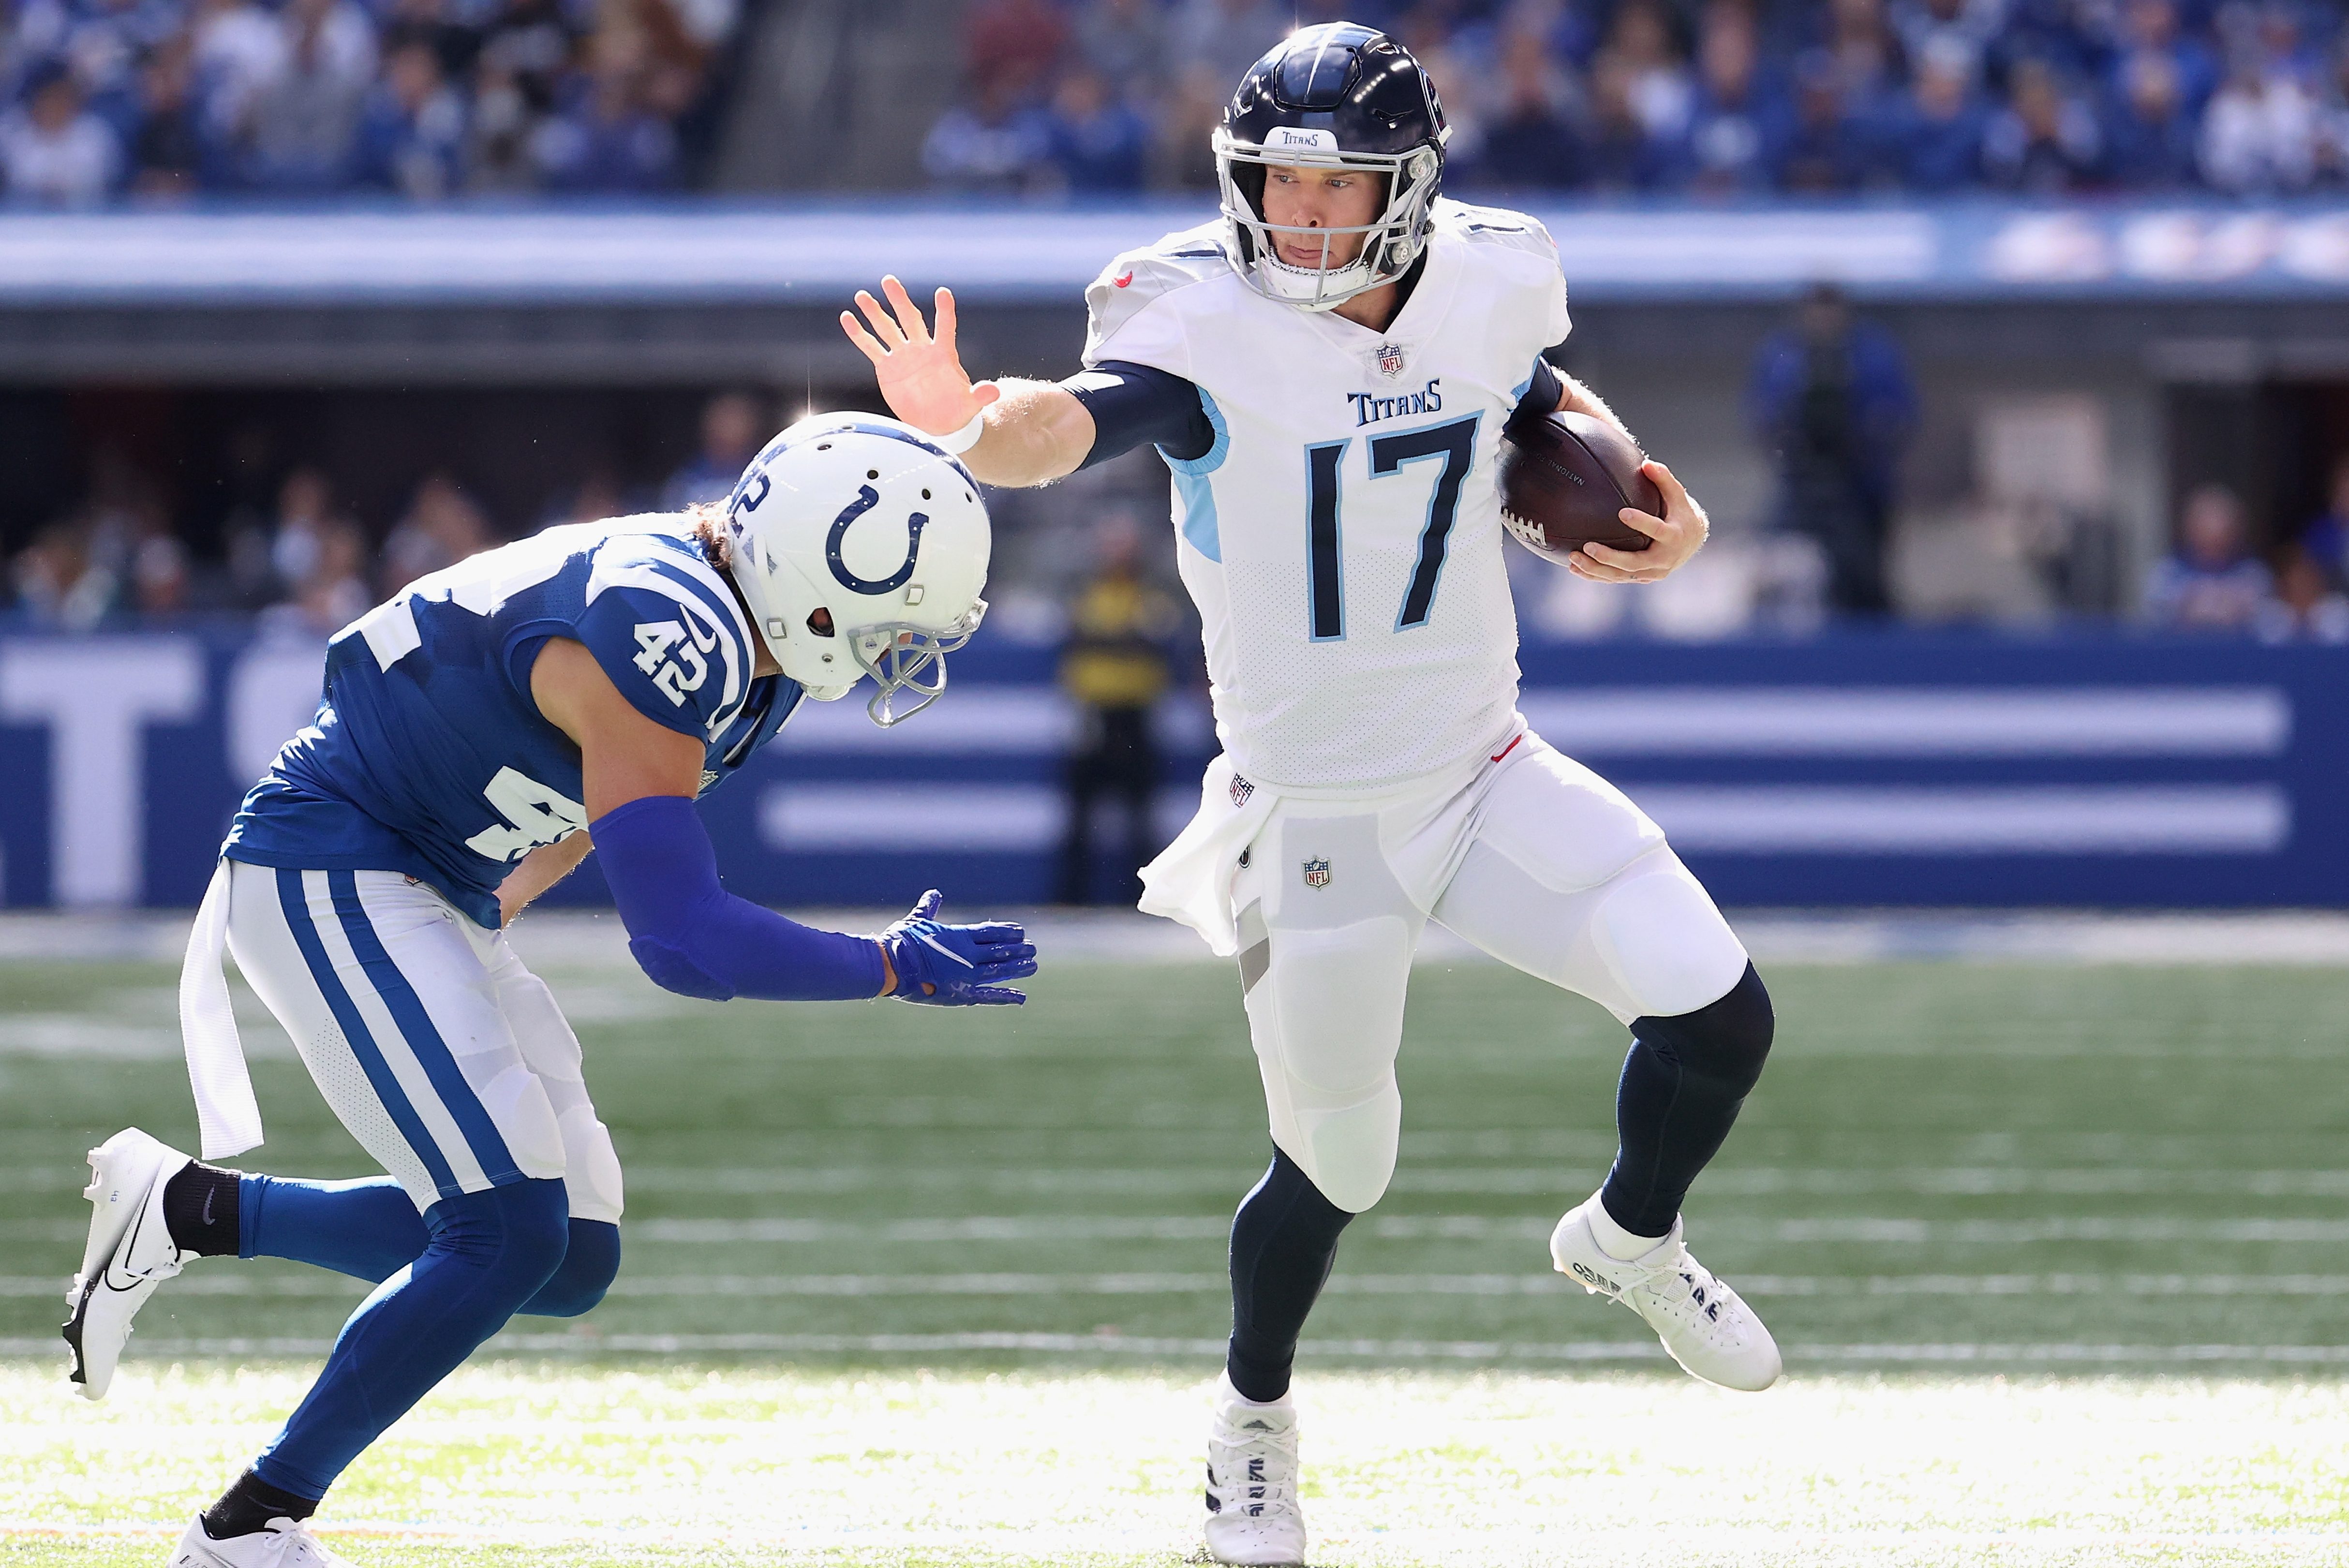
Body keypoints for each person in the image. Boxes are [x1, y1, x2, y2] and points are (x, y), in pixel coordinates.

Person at [842, 26, 1779, 1567]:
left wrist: (1640, 509)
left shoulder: (1493, 275)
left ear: (1404, 193)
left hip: (1482, 765)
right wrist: (965, 416)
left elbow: (1528, 392)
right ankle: (1250, 1428)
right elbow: (1070, 423)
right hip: (1316, 816)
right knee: (1339, 1162)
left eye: (1332, 191)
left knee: (1718, 1008)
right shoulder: (1199, 318)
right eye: (1274, 182)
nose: (1295, 217)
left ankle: (1628, 1238)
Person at [62, 414, 1036, 1568]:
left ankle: (185, 1211)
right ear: (815, 583)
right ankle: (247, 1530)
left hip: (431, 879)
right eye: (889, 623)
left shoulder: (744, 635)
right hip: (335, 860)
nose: (893, 653)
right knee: (501, 1230)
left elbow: (602, 813)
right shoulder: (665, 624)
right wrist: (883, 967)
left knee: (569, 1252)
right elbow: (680, 938)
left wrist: (490, 909)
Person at [1746, 281, 1917, 615]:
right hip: (1797, 482)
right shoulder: (1783, 354)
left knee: (1864, 573)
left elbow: (1902, 414)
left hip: (1860, 485)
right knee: (1780, 562)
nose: (1823, 322)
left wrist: (1869, 438)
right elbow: (1760, 414)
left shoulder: (1873, 352)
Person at [1054, 511, 1181, 903]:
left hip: (1133, 716)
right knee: (1079, 815)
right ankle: (1071, 897)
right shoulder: (1087, 597)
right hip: (1093, 715)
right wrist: (1120, 642)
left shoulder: (1150, 598)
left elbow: (1153, 645)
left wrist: (1110, 642)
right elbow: (1079, 645)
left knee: (1140, 816)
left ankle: (1141, 898)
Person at [2144, 482, 2272, 630]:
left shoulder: (2254, 574)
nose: (2214, 537)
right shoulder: (2166, 574)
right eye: (2205, 526)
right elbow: (2153, 622)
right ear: (2190, 528)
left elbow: (2268, 623)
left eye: (2222, 528)